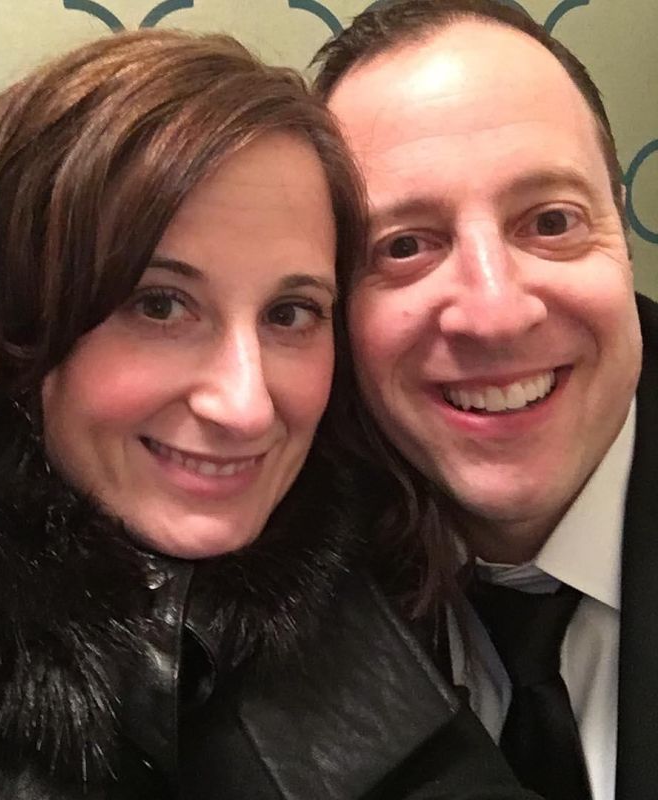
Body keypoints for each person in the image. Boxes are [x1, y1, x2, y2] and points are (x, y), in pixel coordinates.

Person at [0, 27, 542, 800]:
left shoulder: (382, 568)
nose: (245, 407)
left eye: (290, 312)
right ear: (9, 314)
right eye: (159, 305)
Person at [313, 2, 652, 799]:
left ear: (622, 231)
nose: (495, 313)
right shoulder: (278, 562)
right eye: (404, 246)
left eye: (552, 222)